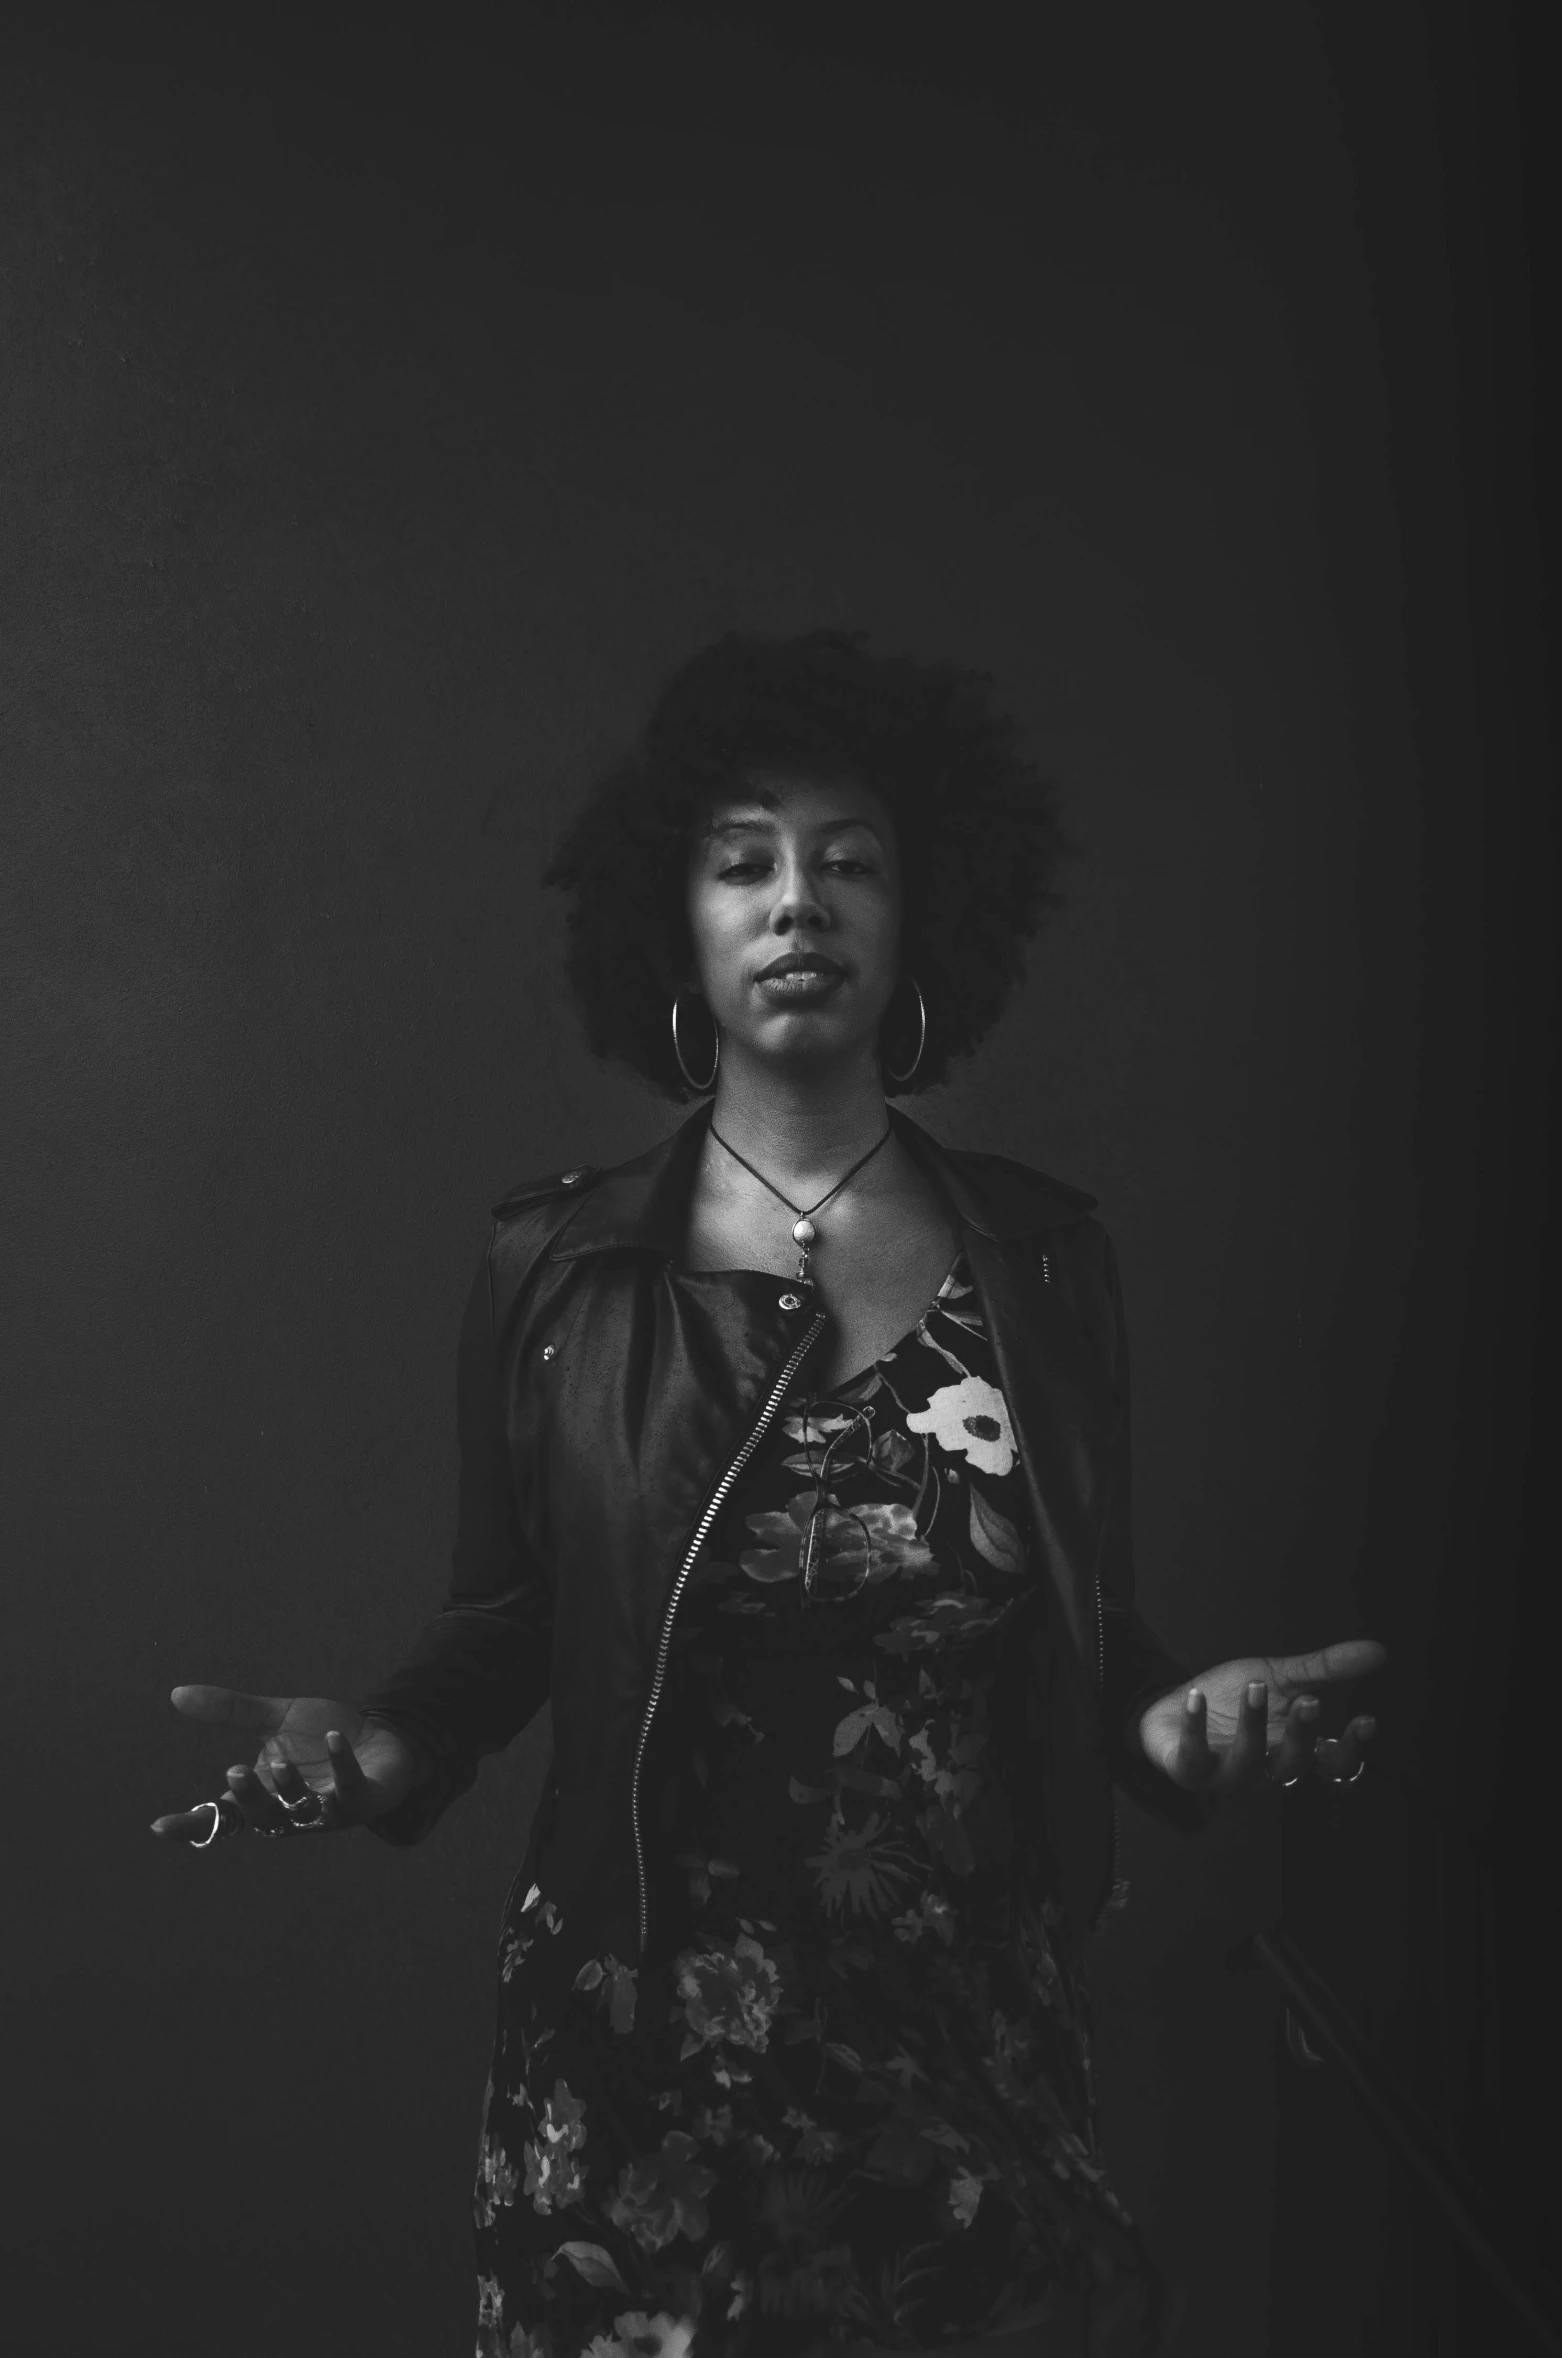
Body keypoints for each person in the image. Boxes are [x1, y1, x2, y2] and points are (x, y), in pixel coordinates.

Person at [152, 631, 1383, 2358]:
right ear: (680, 926)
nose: (798, 901)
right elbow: (505, 1620)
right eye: (746, 863)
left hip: (966, 2019)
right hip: (643, 2026)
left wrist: (1179, 1721)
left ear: (920, 917)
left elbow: (1076, 1623)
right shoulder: (555, 1262)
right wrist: (378, 1748)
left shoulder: (1042, 1256)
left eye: (849, 863)